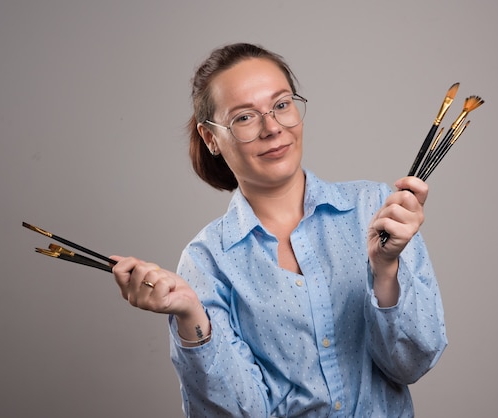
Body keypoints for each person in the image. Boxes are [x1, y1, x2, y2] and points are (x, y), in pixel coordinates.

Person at [110, 42, 447, 417]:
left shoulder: (377, 209)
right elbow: (237, 412)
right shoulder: (207, 261)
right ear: (211, 139)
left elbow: (412, 364)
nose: (272, 128)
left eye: (282, 105)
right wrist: (191, 316)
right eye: (244, 117)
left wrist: (386, 270)